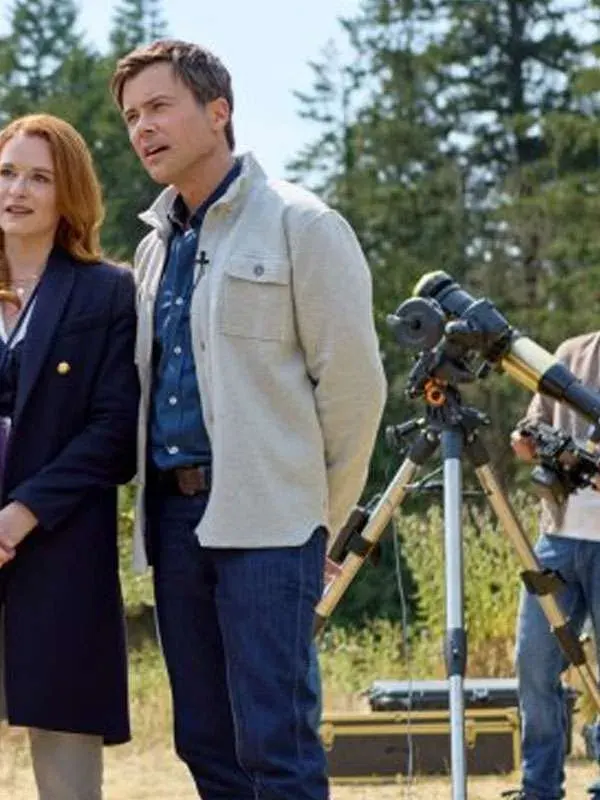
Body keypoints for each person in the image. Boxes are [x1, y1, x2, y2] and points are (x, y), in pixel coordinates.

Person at [110, 38, 386, 799]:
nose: (143, 128)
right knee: (205, 740)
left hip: (272, 524)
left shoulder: (304, 224)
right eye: (132, 117)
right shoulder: (152, 249)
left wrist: (317, 522)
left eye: (159, 107)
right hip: (173, 522)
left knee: (275, 741)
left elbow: (355, 391)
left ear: (218, 111)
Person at [0, 113, 139, 800]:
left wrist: (19, 515)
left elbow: (114, 432)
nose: (16, 191)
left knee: (67, 776)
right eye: (6, 172)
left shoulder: (105, 291)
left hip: (59, 547)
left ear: (69, 194)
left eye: (38, 178)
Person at [507, 331, 600, 800]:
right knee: (534, 662)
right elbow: (530, 427)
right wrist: (527, 441)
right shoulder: (570, 353)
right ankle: (539, 786)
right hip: (558, 536)